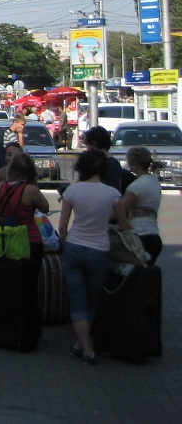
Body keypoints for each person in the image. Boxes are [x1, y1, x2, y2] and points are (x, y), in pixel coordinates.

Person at [59, 149, 133, 364]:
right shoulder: (111, 194)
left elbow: (62, 226)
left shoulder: (72, 191)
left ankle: (83, 347)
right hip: (99, 250)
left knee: (77, 300)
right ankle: (85, 346)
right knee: (92, 299)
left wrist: (64, 244)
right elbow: (123, 225)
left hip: (74, 247)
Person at [0, 150, 49, 265]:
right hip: (30, 239)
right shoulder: (30, 189)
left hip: (6, 239)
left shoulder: (0, 187)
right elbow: (45, 208)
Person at [117, 146, 162, 264]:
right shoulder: (154, 182)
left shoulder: (135, 187)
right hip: (154, 236)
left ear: (135, 164)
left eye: (128, 161)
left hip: (139, 237)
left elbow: (119, 211)